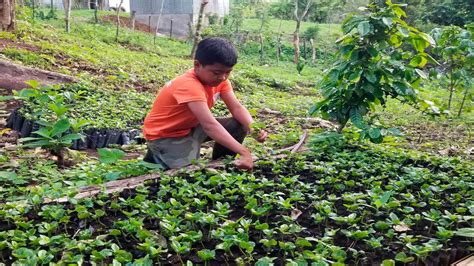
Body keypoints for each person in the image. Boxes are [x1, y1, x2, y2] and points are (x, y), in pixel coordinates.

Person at [143, 37, 268, 170]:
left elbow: (237, 108)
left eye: (228, 72)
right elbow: (209, 125)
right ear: (197, 65)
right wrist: (244, 152)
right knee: (188, 173)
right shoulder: (189, 85)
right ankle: (157, 153)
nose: (223, 77)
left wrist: (253, 128)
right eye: (217, 72)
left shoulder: (221, 81)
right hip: (166, 136)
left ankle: (222, 163)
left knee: (237, 124)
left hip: (190, 127)